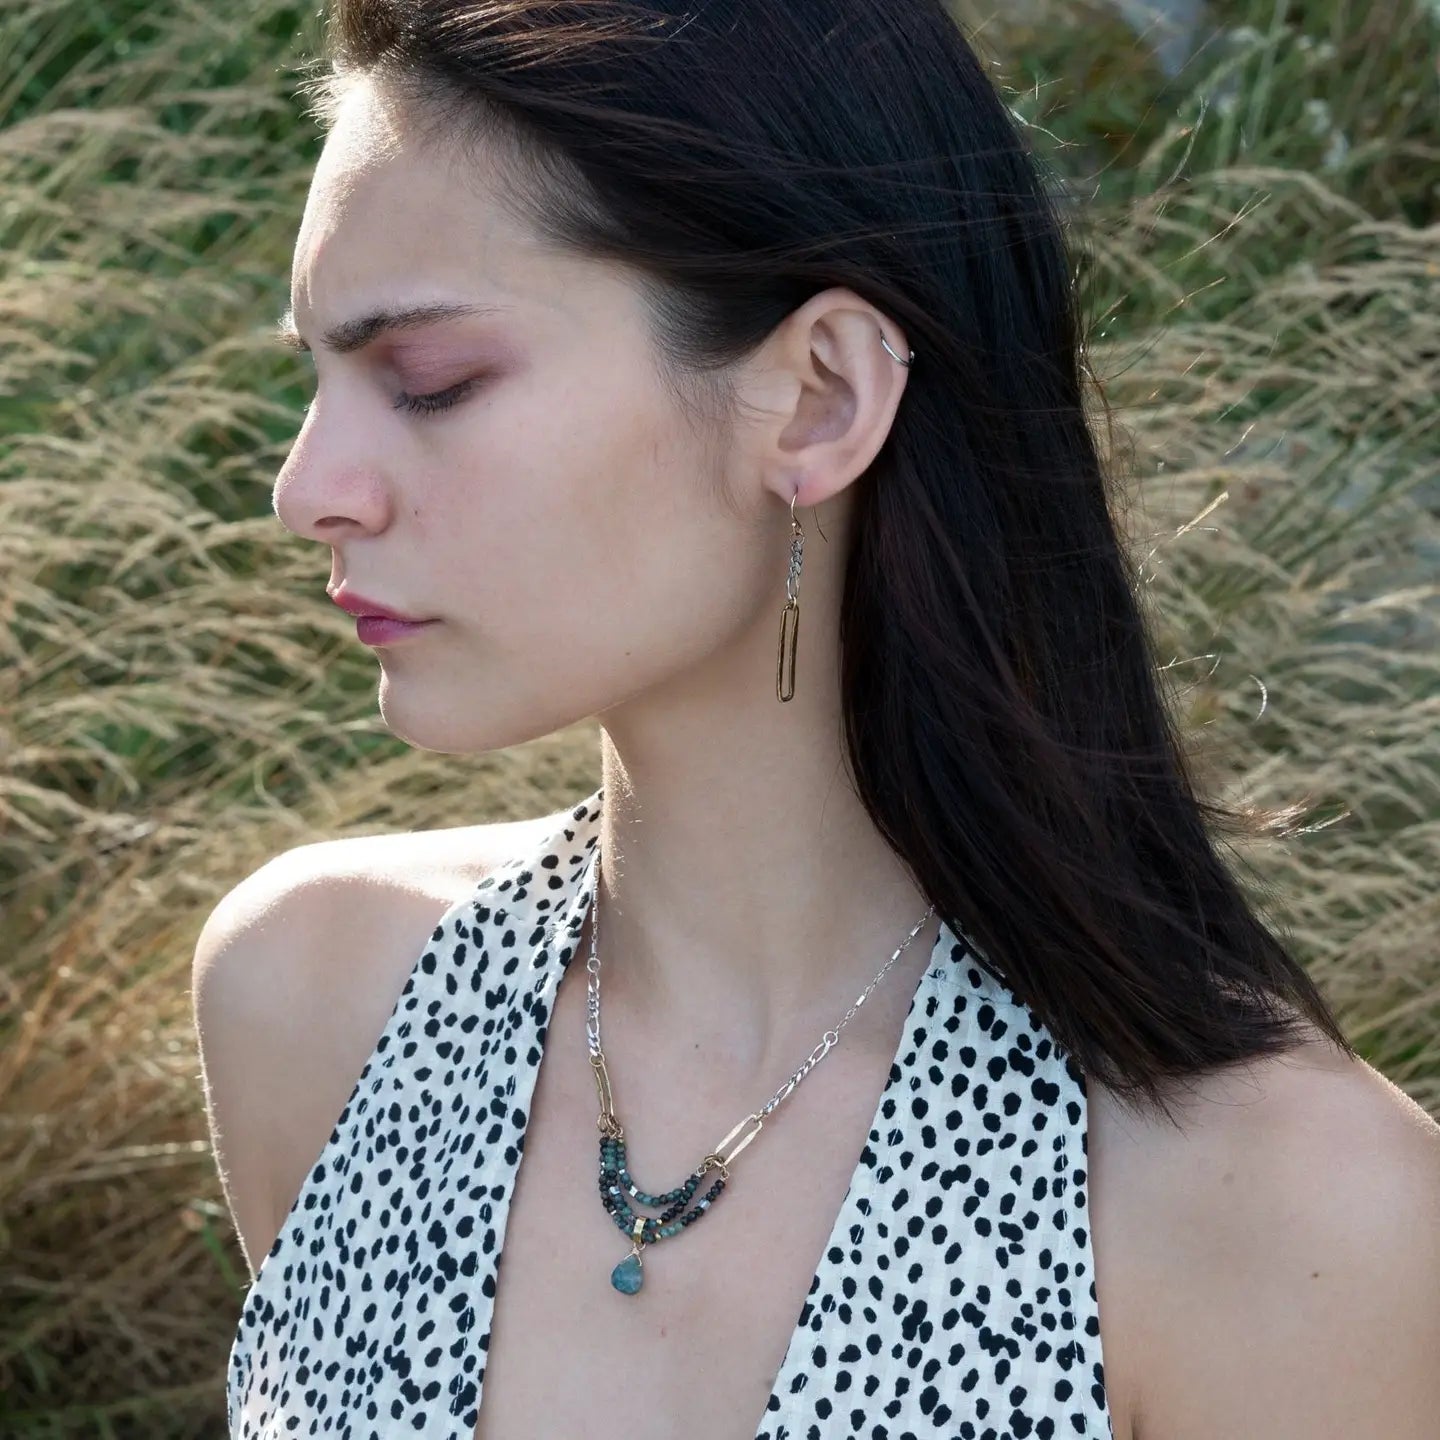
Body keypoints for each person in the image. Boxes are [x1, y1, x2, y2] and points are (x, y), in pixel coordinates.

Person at [191, 2, 1440, 1437]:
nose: (310, 488)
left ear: (820, 399)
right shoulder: (320, 1002)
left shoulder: (1286, 1219)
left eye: (428, 383)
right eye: (317, 378)